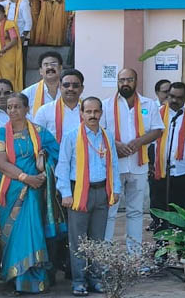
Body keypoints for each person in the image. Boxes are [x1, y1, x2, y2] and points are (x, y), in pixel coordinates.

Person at [0, 92, 61, 293]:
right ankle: (14, 276)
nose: (12, 110)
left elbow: (56, 155)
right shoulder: (1, 133)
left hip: (34, 191)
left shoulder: (40, 132)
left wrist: (44, 170)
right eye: (9, 107)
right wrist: (25, 177)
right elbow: (0, 162)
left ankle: (33, 280)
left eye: (17, 106)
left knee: (31, 231)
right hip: (10, 189)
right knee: (12, 233)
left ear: (26, 108)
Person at [56, 96, 120, 296]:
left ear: (101, 113)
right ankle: (79, 281)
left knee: (97, 240)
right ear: (81, 113)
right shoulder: (71, 136)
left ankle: (95, 279)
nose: (92, 115)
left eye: (96, 111)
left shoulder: (107, 136)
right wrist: (66, 193)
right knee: (79, 241)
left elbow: (114, 164)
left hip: (102, 192)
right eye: (88, 111)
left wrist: (116, 188)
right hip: (78, 192)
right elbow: (63, 166)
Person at [101, 68, 162, 252]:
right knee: (110, 210)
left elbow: (158, 130)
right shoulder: (106, 105)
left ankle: (134, 255)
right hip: (114, 165)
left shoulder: (148, 104)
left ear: (136, 81)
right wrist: (116, 145)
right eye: (121, 80)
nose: (125, 83)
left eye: (129, 80)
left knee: (135, 211)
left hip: (138, 164)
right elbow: (100, 132)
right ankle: (106, 254)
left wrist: (139, 142)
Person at [150, 83, 185, 219]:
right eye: (172, 96)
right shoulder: (157, 113)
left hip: (184, 169)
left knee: (181, 210)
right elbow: (150, 140)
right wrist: (150, 163)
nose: (174, 100)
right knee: (158, 207)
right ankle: (160, 231)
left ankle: (179, 233)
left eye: (179, 98)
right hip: (160, 169)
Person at [34, 69, 87, 144]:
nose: (70, 88)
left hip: (83, 151)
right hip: (55, 151)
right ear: (60, 86)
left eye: (75, 86)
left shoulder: (90, 110)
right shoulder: (44, 111)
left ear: (82, 88)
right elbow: (37, 138)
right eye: (66, 85)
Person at [0, 4, 23, 105]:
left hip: (7, 56)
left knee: (8, 78)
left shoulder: (9, 24)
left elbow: (14, 40)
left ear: (4, 13)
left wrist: (0, 51)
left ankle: (13, 102)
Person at [22, 51, 63, 115]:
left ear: (60, 68)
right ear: (40, 71)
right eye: (46, 65)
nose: (50, 67)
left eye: (53, 64)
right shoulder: (28, 93)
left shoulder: (70, 90)